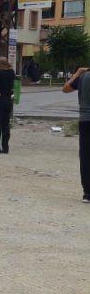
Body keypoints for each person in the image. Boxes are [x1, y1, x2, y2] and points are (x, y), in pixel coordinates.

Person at [62, 65, 90, 203]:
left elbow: (66, 88)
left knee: (85, 156)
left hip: (85, 120)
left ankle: (87, 193)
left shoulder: (84, 77)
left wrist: (77, 73)